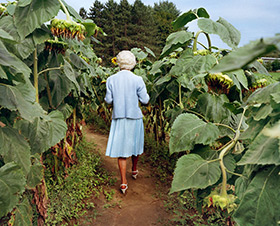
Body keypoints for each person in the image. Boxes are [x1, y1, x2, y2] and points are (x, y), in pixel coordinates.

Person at [104, 50, 150, 194]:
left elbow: (108, 100)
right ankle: (134, 170)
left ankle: (123, 182)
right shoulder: (138, 79)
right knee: (135, 145)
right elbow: (145, 100)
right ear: (133, 63)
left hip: (119, 118)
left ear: (118, 62)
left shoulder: (111, 79)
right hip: (134, 117)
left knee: (122, 151)